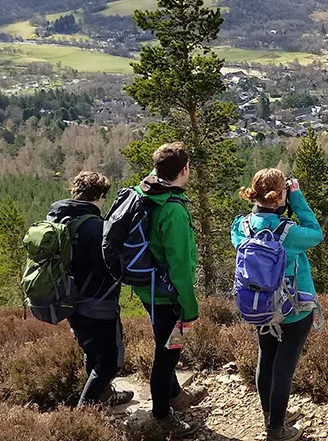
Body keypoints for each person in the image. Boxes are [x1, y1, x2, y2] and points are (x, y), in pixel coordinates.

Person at [231, 168, 324, 441]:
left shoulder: (241, 227)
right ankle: (276, 430)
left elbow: (241, 240)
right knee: (284, 368)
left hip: (259, 306)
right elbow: (316, 233)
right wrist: (296, 199)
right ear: (279, 195)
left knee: (267, 359)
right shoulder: (290, 232)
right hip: (294, 309)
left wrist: (281, 200)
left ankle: (270, 415)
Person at [132, 142, 207, 437]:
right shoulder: (173, 211)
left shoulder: (145, 191)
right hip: (167, 294)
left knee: (164, 343)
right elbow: (180, 266)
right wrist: (189, 307)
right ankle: (162, 415)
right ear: (184, 170)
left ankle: (175, 395)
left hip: (148, 287)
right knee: (167, 356)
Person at [48, 171, 132, 408]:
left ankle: (104, 395)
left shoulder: (60, 220)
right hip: (98, 303)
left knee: (91, 351)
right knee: (110, 361)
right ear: (102, 195)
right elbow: (109, 267)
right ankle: (85, 412)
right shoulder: (96, 227)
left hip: (68, 299)